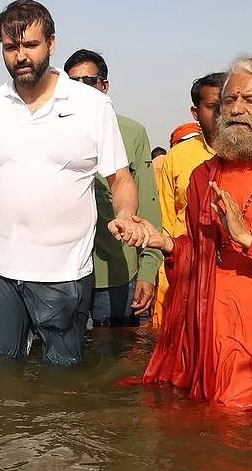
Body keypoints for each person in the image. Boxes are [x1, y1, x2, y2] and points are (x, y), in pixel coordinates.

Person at [0, 0, 141, 366]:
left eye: (30, 45)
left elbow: (120, 179)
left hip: (64, 273)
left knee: (63, 377)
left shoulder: (91, 106)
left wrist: (127, 215)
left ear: (51, 44)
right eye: (10, 47)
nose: (20, 56)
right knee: (1, 371)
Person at [128, 56, 252, 422]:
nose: (237, 109)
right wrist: (164, 243)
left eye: (251, 100)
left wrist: (250, 240)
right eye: (230, 100)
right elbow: (198, 255)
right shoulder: (204, 175)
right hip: (208, 338)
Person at [64, 49, 161, 326]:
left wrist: (148, 270)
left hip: (116, 273)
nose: (81, 89)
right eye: (73, 83)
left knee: (116, 357)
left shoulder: (131, 133)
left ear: (104, 86)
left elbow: (149, 207)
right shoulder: (52, 133)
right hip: (64, 271)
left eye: (89, 81)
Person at [154, 72, 225, 325]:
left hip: (231, 272)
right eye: (212, 107)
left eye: (227, 105)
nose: (221, 114)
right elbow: (167, 218)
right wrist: (165, 277)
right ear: (195, 113)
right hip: (185, 270)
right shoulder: (178, 157)